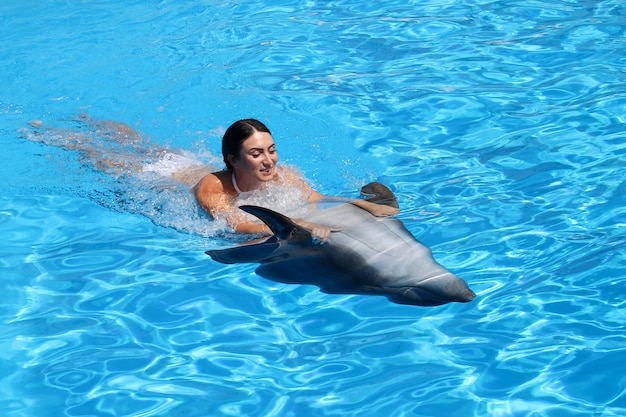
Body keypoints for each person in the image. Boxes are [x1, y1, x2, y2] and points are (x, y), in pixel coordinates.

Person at [192, 118, 399, 241]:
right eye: (256, 154)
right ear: (234, 161)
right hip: (175, 174)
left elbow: (315, 198)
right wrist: (297, 225)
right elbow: (239, 227)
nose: (268, 161)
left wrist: (361, 203)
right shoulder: (213, 189)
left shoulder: (282, 175)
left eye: (271, 151)